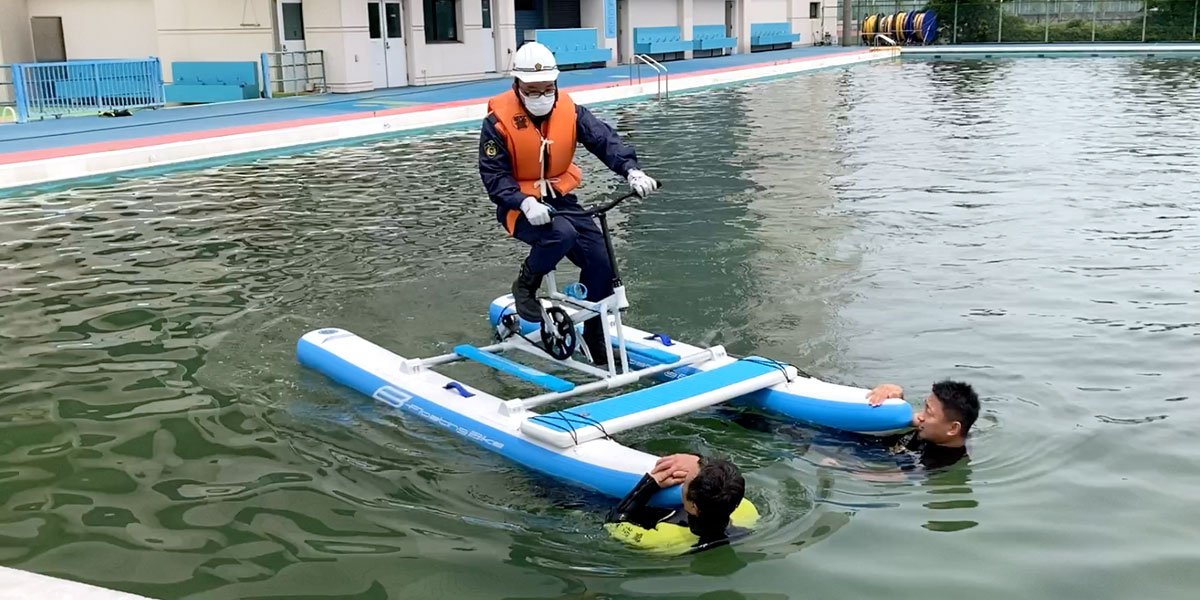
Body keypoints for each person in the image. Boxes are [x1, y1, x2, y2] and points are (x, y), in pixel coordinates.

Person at [478, 42, 657, 365]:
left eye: (548, 88)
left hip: (561, 198)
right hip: (518, 206)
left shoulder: (569, 111)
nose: (541, 95)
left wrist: (631, 170)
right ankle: (525, 286)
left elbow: (604, 140)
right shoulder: (498, 122)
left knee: (601, 259)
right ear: (517, 85)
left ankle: (594, 332)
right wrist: (524, 202)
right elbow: (493, 177)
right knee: (561, 234)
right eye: (532, 90)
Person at [605, 454, 758, 554]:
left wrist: (649, 484)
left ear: (694, 507)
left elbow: (613, 523)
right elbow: (721, 480)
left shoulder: (663, 541)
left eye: (685, 482)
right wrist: (697, 460)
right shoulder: (747, 511)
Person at [865, 379, 980, 471]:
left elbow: (889, 477)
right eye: (925, 407)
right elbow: (904, 417)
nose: (920, 416)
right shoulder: (934, 428)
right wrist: (895, 396)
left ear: (953, 428)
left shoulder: (940, 463)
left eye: (928, 412)